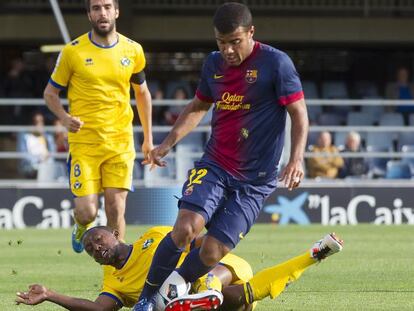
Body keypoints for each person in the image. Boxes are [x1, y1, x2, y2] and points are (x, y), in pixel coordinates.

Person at [136, 2, 309, 309]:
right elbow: (199, 106)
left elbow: (298, 113)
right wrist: (167, 143)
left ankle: (172, 289)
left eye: (235, 42)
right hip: (216, 165)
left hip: (256, 181)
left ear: (251, 33)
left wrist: (296, 159)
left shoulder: (276, 63)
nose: (228, 50)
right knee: (186, 228)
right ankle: (146, 299)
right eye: (221, 42)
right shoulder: (213, 64)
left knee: (212, 252)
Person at [43, 0, 153, 253]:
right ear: (89, 14)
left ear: (116, 11)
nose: (102, 13)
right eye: (96, 8)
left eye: (106, 7)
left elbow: (142, 93)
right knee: (87, 211)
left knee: (115, 208)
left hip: (120, 141)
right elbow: (50, 93)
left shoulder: (133, 50)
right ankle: (80, 227)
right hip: (85, 144)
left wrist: (148, 138)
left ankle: (117, 272)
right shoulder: (73, 52)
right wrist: (64, 117)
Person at [15, 226, 343, 311]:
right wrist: (50, 294)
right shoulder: (112, 280)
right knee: (236, 298)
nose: (96, 247)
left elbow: (201, 243)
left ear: (115, 234)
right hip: (218, 302)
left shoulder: (154, 237)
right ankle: (314, 254)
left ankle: (312, 255)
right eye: (89, 250)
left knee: (210, 276)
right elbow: (100, 309)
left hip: (220, 269)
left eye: (98, 239)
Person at [17, 111, 56, 179]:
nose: (39, 124)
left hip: (46, 163)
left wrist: (43, 135)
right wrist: (38, 160)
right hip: (31, 165)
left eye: (41, 122)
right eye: (36, 122)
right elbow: (23, 154)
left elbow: (53, 151)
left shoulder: (47, 136)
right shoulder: (24, 136)